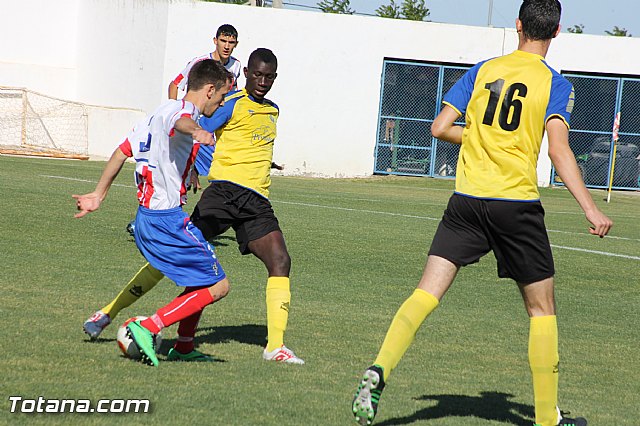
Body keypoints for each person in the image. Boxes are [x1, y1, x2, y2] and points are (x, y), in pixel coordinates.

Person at [352, 1, 612, 425]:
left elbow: (438, 128)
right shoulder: (555, 84)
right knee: (541, 310)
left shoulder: (483, 69)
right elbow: (558, 149)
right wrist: (590, 208)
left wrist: (476, 138)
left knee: (425, 293)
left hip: (467, 202)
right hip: (516, 205)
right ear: (557, 31)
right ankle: (548, 419)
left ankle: (380, 367)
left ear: (518, 25)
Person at [84, 48, 304, 365]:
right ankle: (111, 312)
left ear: (275, 78)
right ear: (246, 74)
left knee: (280, 261)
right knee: (187, 267)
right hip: (224, 194)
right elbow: (192, 123)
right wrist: (199, 132)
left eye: (268, 76)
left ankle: (275, 347)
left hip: (257, 199)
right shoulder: (227, 103)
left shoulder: (273, 111)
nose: (262, 81)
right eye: (257, 74)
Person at [74, 60, 233, 366]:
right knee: (218, 285)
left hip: (146, 218)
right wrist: (199, 131)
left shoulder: (156, 113)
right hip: (166, 220)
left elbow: (122, 151)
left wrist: (99, 194)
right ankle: (147, 326)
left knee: (199, 279)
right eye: (221, 95)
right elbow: (182, 124)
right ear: (209, 89)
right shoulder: (182, 113)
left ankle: (184, 347)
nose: (222, 102)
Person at [168, 24, 241, 99]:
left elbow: (232, 90)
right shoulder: (199, 62)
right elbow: (174, 85)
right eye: (223, 41)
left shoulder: (236, 64)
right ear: (215, 41)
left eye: (231, 42)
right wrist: (174, 109)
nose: (226, 46)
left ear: (236, 44)